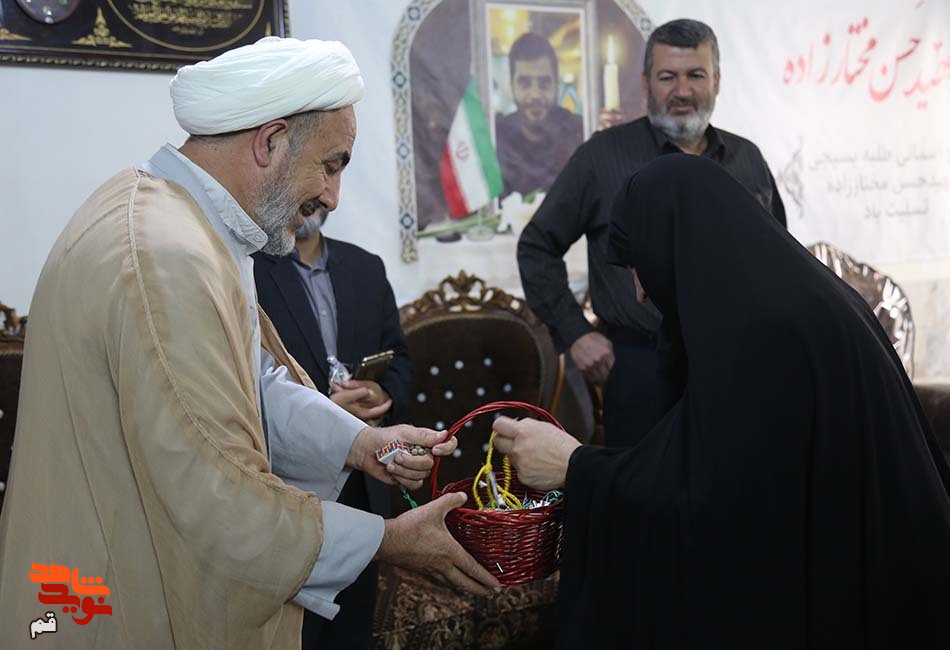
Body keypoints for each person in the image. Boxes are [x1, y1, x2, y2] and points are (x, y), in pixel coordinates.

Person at [0, 37, 499, 650]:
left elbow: (251, 383)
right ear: (270, 142)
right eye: (331, 164)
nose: (332, 197)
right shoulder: (165, 254)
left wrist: (361, 443)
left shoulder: (185, 223)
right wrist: (388, 539)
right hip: (115, 598)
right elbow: (216, 494)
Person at [496, 154, 950, 648]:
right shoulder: (790, 297)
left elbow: (719, 507)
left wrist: (574, 465)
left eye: (638, 265)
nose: (640, 292)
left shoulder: (761, 329)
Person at [517, 18, 787, 449]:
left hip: (737, 367)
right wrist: (576, 332)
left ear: (717, 80)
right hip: (641, 370)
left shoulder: (747, 160)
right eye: (667, 77)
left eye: (695, 75)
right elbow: (536, 247)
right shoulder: (602, 158)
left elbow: (780, 263)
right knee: (641, 488)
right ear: (646, 83)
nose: (682, 90)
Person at [254, 208, 412, 650]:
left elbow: (400, 359)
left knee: (353, 630)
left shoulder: (366, 267)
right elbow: (251, 385)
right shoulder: (250, 271)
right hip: (290, 491)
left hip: (365, 487)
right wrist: (326, 413)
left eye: (336, 174)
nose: (325, 196)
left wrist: (381, 393)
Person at [495, 32, 583, 199]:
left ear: (556, 85)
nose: (535, 94)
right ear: (512, 86)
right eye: (525, 83)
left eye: (544, 83)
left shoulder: (579, 133)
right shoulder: (496, 138)